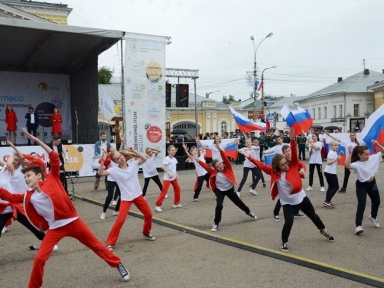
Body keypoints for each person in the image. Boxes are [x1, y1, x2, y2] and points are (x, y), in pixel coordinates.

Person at [0, 129, 130, 287]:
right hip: (55, 228)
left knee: (96, 245)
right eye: (25, 177)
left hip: (73, 221)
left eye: (28, 176)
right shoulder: (28, 195)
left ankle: (117, 264)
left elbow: (53, 157)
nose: (26, 179)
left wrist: (35, 139)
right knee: (40, 258)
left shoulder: (52, 178)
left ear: (39, 176)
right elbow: (7, 196)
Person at [241, 129, 335, 252]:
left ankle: (324, 231)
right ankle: (284, 242)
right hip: (287, 202)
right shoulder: (273, 172)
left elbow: (294, 153)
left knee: (313, 216)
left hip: (301, 197)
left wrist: (292, 139)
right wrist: (249, 157)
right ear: (277, 167)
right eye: (282, 165)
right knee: (289, 222)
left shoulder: (293, 165)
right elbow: (261, 165)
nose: (286, 166)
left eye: (286, 163)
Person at [98, 148, 156, 251]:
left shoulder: (133, 164)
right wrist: (103, 160)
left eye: (120, 156)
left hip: (138, 195)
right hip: (126, 198)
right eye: (117, 158)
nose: (120, 158)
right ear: (115, 162)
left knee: (149, 215)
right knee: (120, 220)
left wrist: (134, 150)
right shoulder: (114, 170)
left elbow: (144, 159)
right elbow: (101, 173)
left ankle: (146, 232)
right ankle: (110, 242)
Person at [196, 143, 257, 232]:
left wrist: (220, 150)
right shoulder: (213, 172)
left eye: (220, 164)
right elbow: (205, 166)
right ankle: (216, 223)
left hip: (230, 190)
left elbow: (225, 158)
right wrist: (197, 160)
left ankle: (249, 212)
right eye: (217, 166)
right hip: (219, 190)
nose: (220, 166)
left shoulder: (228, 167)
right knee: (219, 206)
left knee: (239, 203)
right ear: (215, 168)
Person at [345, 141, 383, 235]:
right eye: (366, 154)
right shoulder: (357, 164)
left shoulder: (373, 158)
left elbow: (382, 152)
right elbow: (347, 166)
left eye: (368, 153)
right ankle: (358, 226)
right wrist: (349, 154)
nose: (368, 155)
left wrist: (377, 145)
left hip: (372, 183)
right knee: (361, 205)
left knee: (377, 201)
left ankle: (373, 216)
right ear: (359, 155)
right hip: (361, 185)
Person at [271, 144, 306, 221]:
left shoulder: (294, 158)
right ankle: (275, 213)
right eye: (286, 151)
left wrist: (303, 169)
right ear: (283, 153)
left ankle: (296, 212)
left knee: (296, 195)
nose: (288, 152)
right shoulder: (282, 161)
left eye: (289, 150)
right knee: (282, 199)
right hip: (285, 182)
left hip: (294, 180)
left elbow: (302, 165)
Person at [155, 145, 181, 212]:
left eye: (174, 150)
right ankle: (157, 205)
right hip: (167, 178)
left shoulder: (174, 159)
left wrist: (176, 175)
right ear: (168, 151)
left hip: (174, 178)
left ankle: (176, 203)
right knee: (164, 191)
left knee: (177, 189)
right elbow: (163, 166)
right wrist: (168, 173)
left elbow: (174, 169)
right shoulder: (166, 158)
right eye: (172, 150)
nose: (173, 151)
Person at [99, 153, 120, 220]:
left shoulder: (119, 160)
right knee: (109, 196)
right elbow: (101, 163)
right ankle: (103, 212)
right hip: (111, 179)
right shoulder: (109, 160)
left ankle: (116, 210)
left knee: (122, 196)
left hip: (118, 179)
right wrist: (103, 159)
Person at [323, 140, 342, 208]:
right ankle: (327, 201)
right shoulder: (331, 152)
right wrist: (336, 159)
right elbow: (328, 162)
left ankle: (327, 201)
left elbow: (337, 161)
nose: (337, 146)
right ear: (331, 146)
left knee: (331, 187)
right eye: (335, 145)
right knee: (336, 187)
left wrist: (339, 157)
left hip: (330, 171)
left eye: (337, 145)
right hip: (330, 172)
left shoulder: (334, 152)